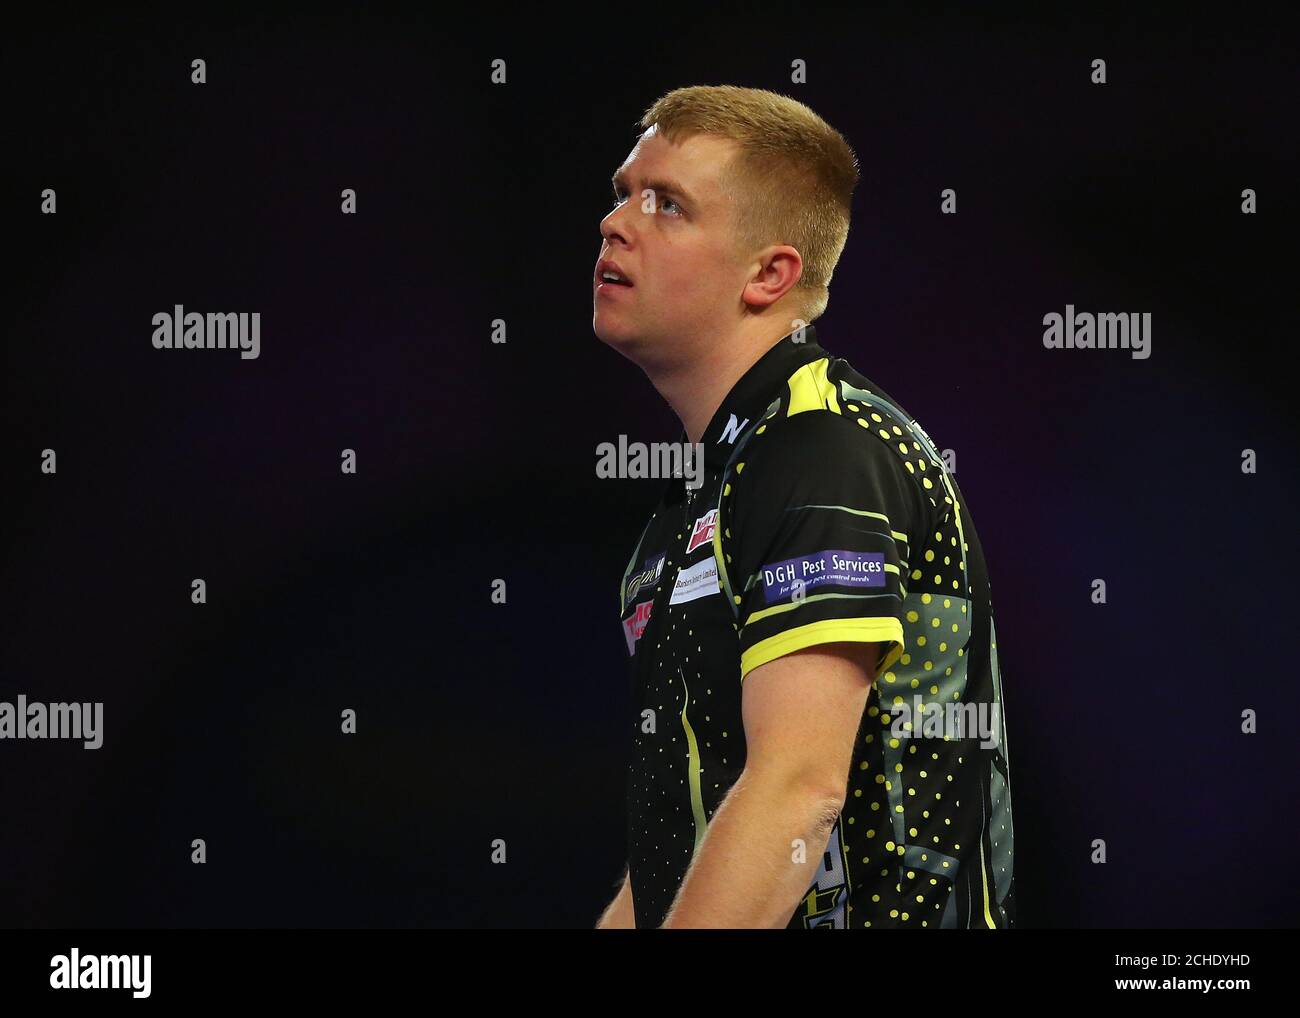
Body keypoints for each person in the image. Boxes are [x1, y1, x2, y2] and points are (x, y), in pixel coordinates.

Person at [593, 85, 1014, 929]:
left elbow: (796, 792)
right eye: (623, 194)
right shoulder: (682, 521)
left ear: (770, 274)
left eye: (667, 205)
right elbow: (680, 856)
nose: (617, 223)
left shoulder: (825, 451)